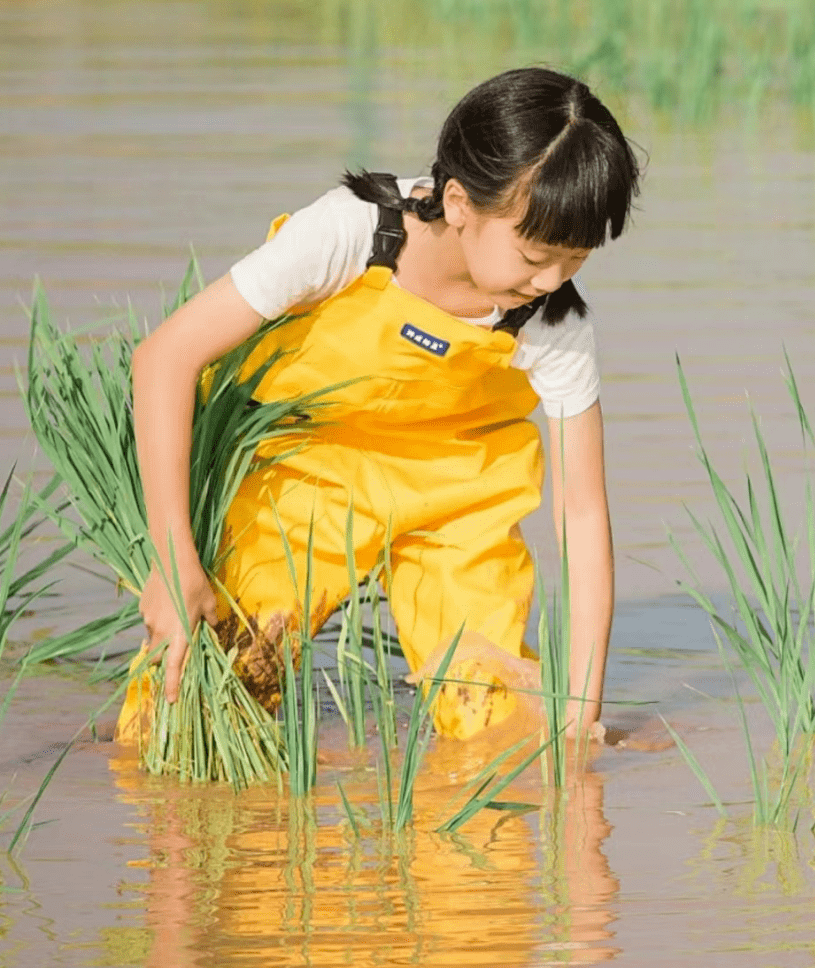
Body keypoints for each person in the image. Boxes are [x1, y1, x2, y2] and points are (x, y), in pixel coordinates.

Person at [116, 67, 640, 744]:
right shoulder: (349, 233)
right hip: (304, 472)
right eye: (536, 254)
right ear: (458, 201)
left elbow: (582, 511)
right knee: (189, 714)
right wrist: (172, 561)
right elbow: (164, 358)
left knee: (501, 729)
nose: (550, 281)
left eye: (574, 259)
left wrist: (581, 714)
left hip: (458, 499)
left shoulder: (554, 325)